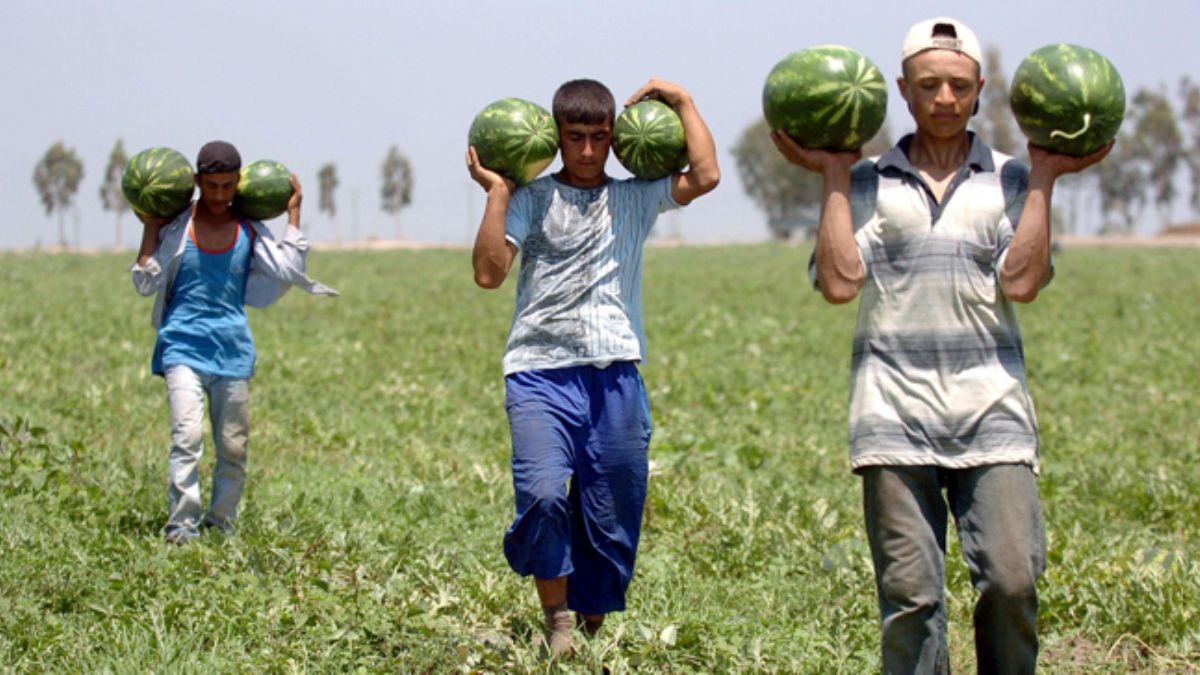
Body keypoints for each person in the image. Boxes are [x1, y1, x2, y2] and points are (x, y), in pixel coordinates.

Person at [770, 18, 1111, 673]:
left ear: (981, 88)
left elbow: (1023, 281)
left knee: (1013, 581)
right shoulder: (868, 181)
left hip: (994, 414)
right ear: (903, 89)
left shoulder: (1012, 179)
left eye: (959, 85)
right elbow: (839, 284)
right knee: (911, 599)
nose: (945, 98)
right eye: (930, 85)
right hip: (891, 418)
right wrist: (835, 175)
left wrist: (1044, 178)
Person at [466, 78, 719, 658]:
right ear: (556, 137)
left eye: (598, 138)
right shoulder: (530, 198)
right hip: (538, 371)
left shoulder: (636, 196)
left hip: (616, 372)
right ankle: (557, 619)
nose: (586, 151)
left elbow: (705, 176)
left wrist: (681, 102)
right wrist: (497, 193)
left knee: (614, 509)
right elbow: (487, 273)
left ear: (613, 138)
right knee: (544, 495)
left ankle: (588, 625)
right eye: (575, 138)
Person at [130, 141, 337, 546]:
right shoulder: (177, 227)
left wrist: (293, 214)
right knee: (186, 437)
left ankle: (220, 524)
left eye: (228, 186)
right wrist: (150, 228)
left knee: (233, 447)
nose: (221, 195)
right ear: (196, 183)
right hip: (182, 348)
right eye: (212, 186)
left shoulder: (247, 229)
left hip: (232, 352)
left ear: (238, 183)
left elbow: (288, 270)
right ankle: (181, 528)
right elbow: (144, 283)